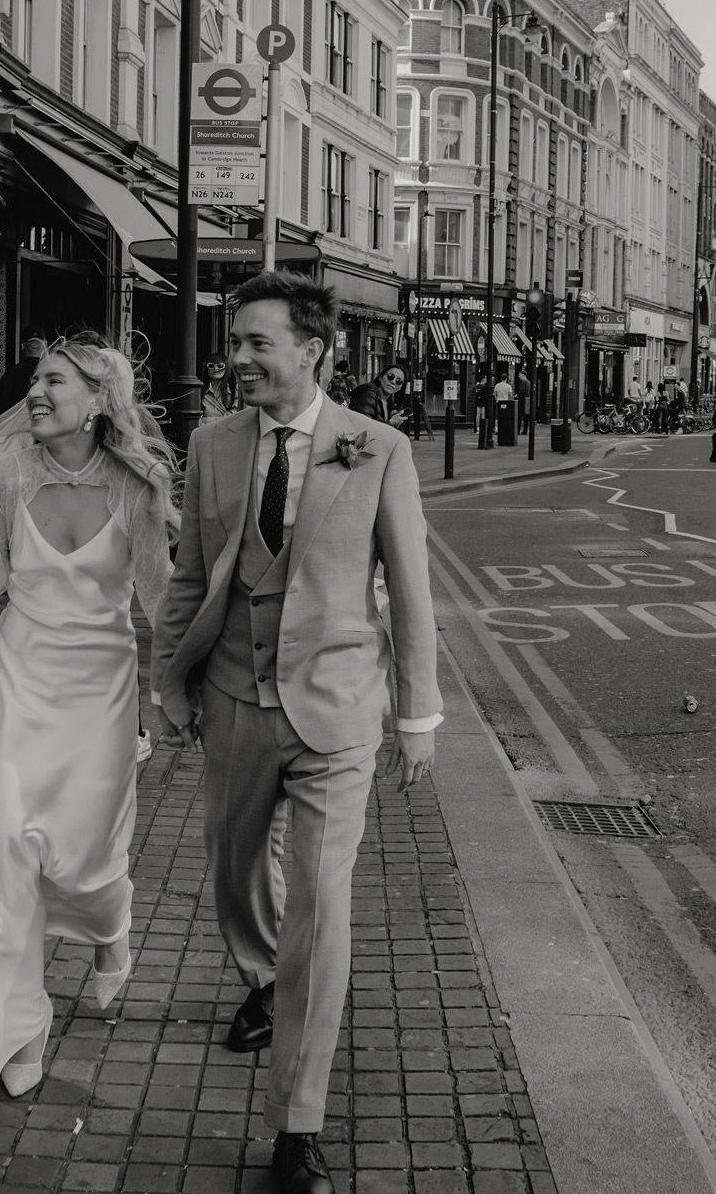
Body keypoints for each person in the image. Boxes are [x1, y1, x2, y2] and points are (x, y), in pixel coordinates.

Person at [151, 272, 440, 1194]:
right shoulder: (210, 444)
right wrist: (169, 679)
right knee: (236, 874)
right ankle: (269, 979)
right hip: (234, 696)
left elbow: (414, 590)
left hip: (339, 711)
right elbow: (190, 576)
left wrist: (417, 713)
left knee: (321, 907)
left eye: (254, 343)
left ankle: (297, 1125)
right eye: (234, 341)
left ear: (313, 352)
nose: (236, 359)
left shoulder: (378, 448)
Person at [0, 338, 177, 1097]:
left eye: (55, 380)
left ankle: (111, 930)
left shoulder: (137, 487)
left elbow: (159, 599)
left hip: (101, 699)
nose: (36, 391)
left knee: (85, 866)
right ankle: (22, 1021)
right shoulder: (7, 475)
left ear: (98, 400)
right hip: (16, 686)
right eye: (35, 380)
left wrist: (175, 692)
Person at [0, 334, 47, 414]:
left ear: (23, 350)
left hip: (12, 421)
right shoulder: (48, 373)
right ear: (44, 352)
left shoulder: (10, 373)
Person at [348, 362, 405, 427]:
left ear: (400, 388)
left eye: (399, 381)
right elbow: (365, 426)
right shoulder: (368, 394)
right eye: (390, 376)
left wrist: (395, 423)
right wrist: (391, 422)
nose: (393, 382)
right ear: (380, 378)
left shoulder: (389, 403)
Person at [201, 352, 240, 424]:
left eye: (220, 366)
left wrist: (206, 421)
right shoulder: (200, 390)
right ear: (206, 369)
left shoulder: (234, 388)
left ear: (226, 367)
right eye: (211, 365)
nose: (215, 368)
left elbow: (235, 416)